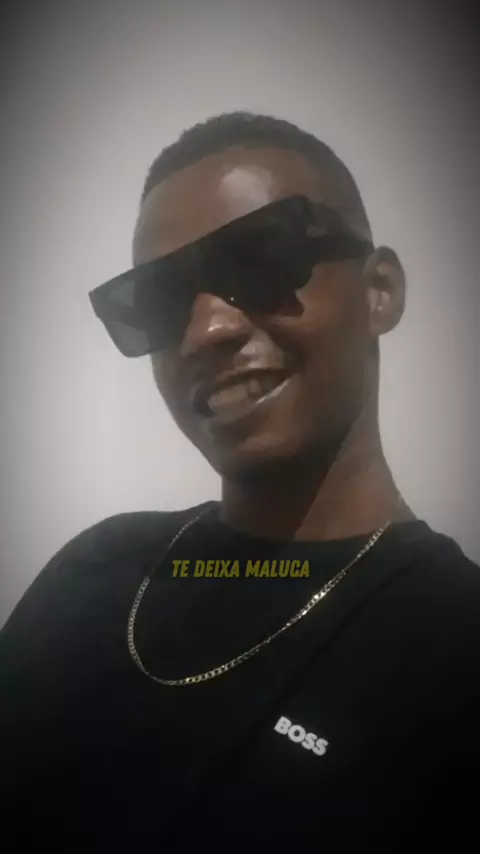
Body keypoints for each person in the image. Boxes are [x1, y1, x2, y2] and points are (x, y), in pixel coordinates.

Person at [1, 111, 479, 852]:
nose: (207, 331)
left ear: (379, 291)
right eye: (162, 299)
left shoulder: (452, 649)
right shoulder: (97, 567)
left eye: (261, 257)